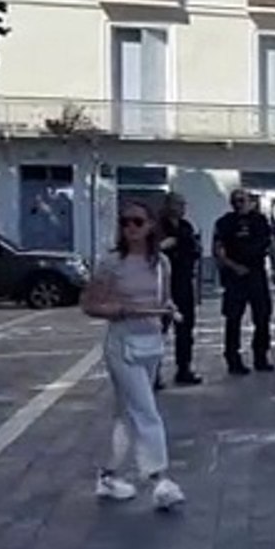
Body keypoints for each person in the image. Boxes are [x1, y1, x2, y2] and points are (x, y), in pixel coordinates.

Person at [80, 201, 186, 511]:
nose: (130, 228)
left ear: (151, 225)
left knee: (127, 415)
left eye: (137, 222)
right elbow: (88, 304)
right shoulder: (111, 263)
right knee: (146, 410)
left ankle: (108, 475)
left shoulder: (161, 263)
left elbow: (164, 299)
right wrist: (116, 310)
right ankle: (160, 480)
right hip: (121, 344)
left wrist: (170, 309)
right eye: (125, 222)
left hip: (151, 343)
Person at [213, 189, 274, 376]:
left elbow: (267, 243)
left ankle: (261, 357)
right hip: (234, 275)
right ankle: (233, 359)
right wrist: (233, 266)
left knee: (262, 317)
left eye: (242, 200)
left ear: (250, 202)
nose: (239, 204)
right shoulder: (225, 222)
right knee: (233, 319)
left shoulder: (260, 221)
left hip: (256, 273)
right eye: (235, 201)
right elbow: (218, 249)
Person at [157, 192, 202, 388]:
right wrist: (164, 246)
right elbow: (149, 252)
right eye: (178, 204)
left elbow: (194, 250)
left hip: (183, 282)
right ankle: (154, 372)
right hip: (162, 285)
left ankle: (184, 368)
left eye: (183, 204)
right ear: (168, 205)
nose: (182, 208)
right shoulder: (156, 227)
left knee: (185, 328)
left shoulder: (186, 227)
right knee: (158, 329)